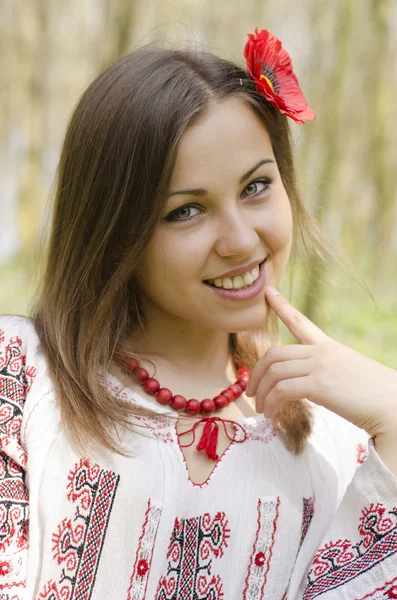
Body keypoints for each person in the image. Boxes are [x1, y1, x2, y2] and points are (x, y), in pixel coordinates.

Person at [0, 27, 396, 600]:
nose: (240, 239)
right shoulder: (21, 382)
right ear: (114, 232)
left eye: (257, 186)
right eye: (186, 211)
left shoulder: (338, 452)